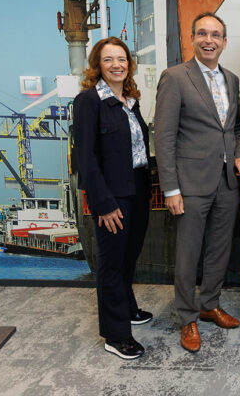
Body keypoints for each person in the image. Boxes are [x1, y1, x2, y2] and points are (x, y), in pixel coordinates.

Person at [154, 11, 240, 353]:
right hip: (190, 183)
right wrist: (171, 188)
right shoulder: (175, 77)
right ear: (192, 39)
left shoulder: (232, 80)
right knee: (188, 253)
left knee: (220, 249)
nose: (210, 40)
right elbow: (164, 137)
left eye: (216, 35)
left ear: (224, 42)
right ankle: (187, 317)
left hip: (227, 182)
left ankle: (209, 304)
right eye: (203, 34)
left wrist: (238, 154)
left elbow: (237, 127)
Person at [73, 36, 152, 360]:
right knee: (112, 263)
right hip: (112, 195)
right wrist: (103, 204)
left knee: (128, 256)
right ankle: (116, 335)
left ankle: (128, 308)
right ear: (98, 65)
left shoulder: (130, 100)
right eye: (108, 59)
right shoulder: (88, 101)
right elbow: (86, 158)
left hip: (138, 189)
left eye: (121, 59)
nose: (116, 65)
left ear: (129, 64)